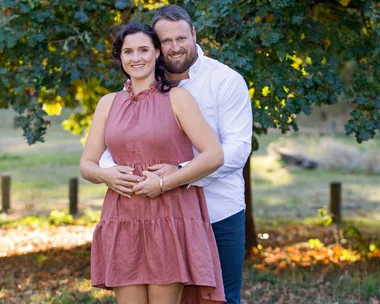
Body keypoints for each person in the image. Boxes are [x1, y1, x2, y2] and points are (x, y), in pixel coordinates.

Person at [100, 5, 252, 303]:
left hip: (218, 210)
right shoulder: (137, 87)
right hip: (160, 214)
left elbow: (237, 149)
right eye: (165, 41)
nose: (174, 47)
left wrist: (179, 173)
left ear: (194, 35)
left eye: (181, 38)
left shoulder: (225, 80)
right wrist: (113, 171)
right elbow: (119, 141)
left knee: (219, 299)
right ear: (156, 47)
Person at [80, 22, 226, 304]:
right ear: (120, 57)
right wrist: (104, 175)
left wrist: (165, 182)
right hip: (123, 217)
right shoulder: (107, 103)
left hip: (169, 216)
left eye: (144, 50)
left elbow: (214, 154)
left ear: (157, 53)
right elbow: (87, 164)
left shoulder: (178, 98)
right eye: (128, 51)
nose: (137, 58)